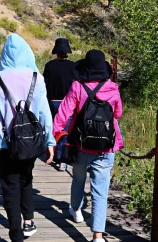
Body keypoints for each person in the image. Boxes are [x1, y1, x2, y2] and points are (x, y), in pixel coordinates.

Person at [0, 34, 56, 242]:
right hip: (32, 141)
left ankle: (15, 234)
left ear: (5, 55)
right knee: (26, 178)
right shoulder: (37, 78)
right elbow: (44, 113)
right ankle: (29, 221)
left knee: (10, 185)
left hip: (6, 143)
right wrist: (50, 141)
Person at [53, 49, 124, 242]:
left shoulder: (77, 87)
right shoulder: (113, 88)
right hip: (107, 145)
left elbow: (63, 113)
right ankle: (98, 235)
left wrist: (55, 137)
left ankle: (76, 210)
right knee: (100, 190)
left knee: (78, 178)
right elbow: (117, 114)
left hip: (81, 144)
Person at [43, 37, 77, 171]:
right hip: (68, 103)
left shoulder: (49, 66)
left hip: (52, 101)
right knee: (65, 130)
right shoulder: (73, 66)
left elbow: (44, 85)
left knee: (52, 128)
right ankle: (61, 158)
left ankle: (50, 152)